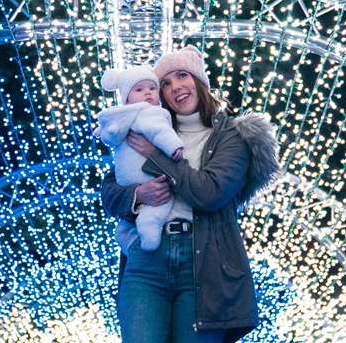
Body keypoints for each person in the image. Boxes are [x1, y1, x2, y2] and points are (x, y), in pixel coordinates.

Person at [99, 46, 281, 343]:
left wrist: (157, 157)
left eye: (182, 75)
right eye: (165, 84)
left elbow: (210, 192)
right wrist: (138, 194)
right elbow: (110, 193)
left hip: (204, 268)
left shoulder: (232, 136)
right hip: (146, 261)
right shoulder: (148, 128)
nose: (175, 87)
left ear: (199, 81)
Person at [94, 65, 188, 250]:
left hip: (179, 229)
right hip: (132, 181)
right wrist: (137, 195)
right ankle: (137, 239)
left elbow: (159, 132)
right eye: (139, 90)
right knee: (146, 216)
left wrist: (168, 148)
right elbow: (109, 195)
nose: (148, 94)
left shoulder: (151, 114)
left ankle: (140, 235)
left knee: (155, 209)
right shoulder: (141, 115)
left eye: (152, 89)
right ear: (126, 99)